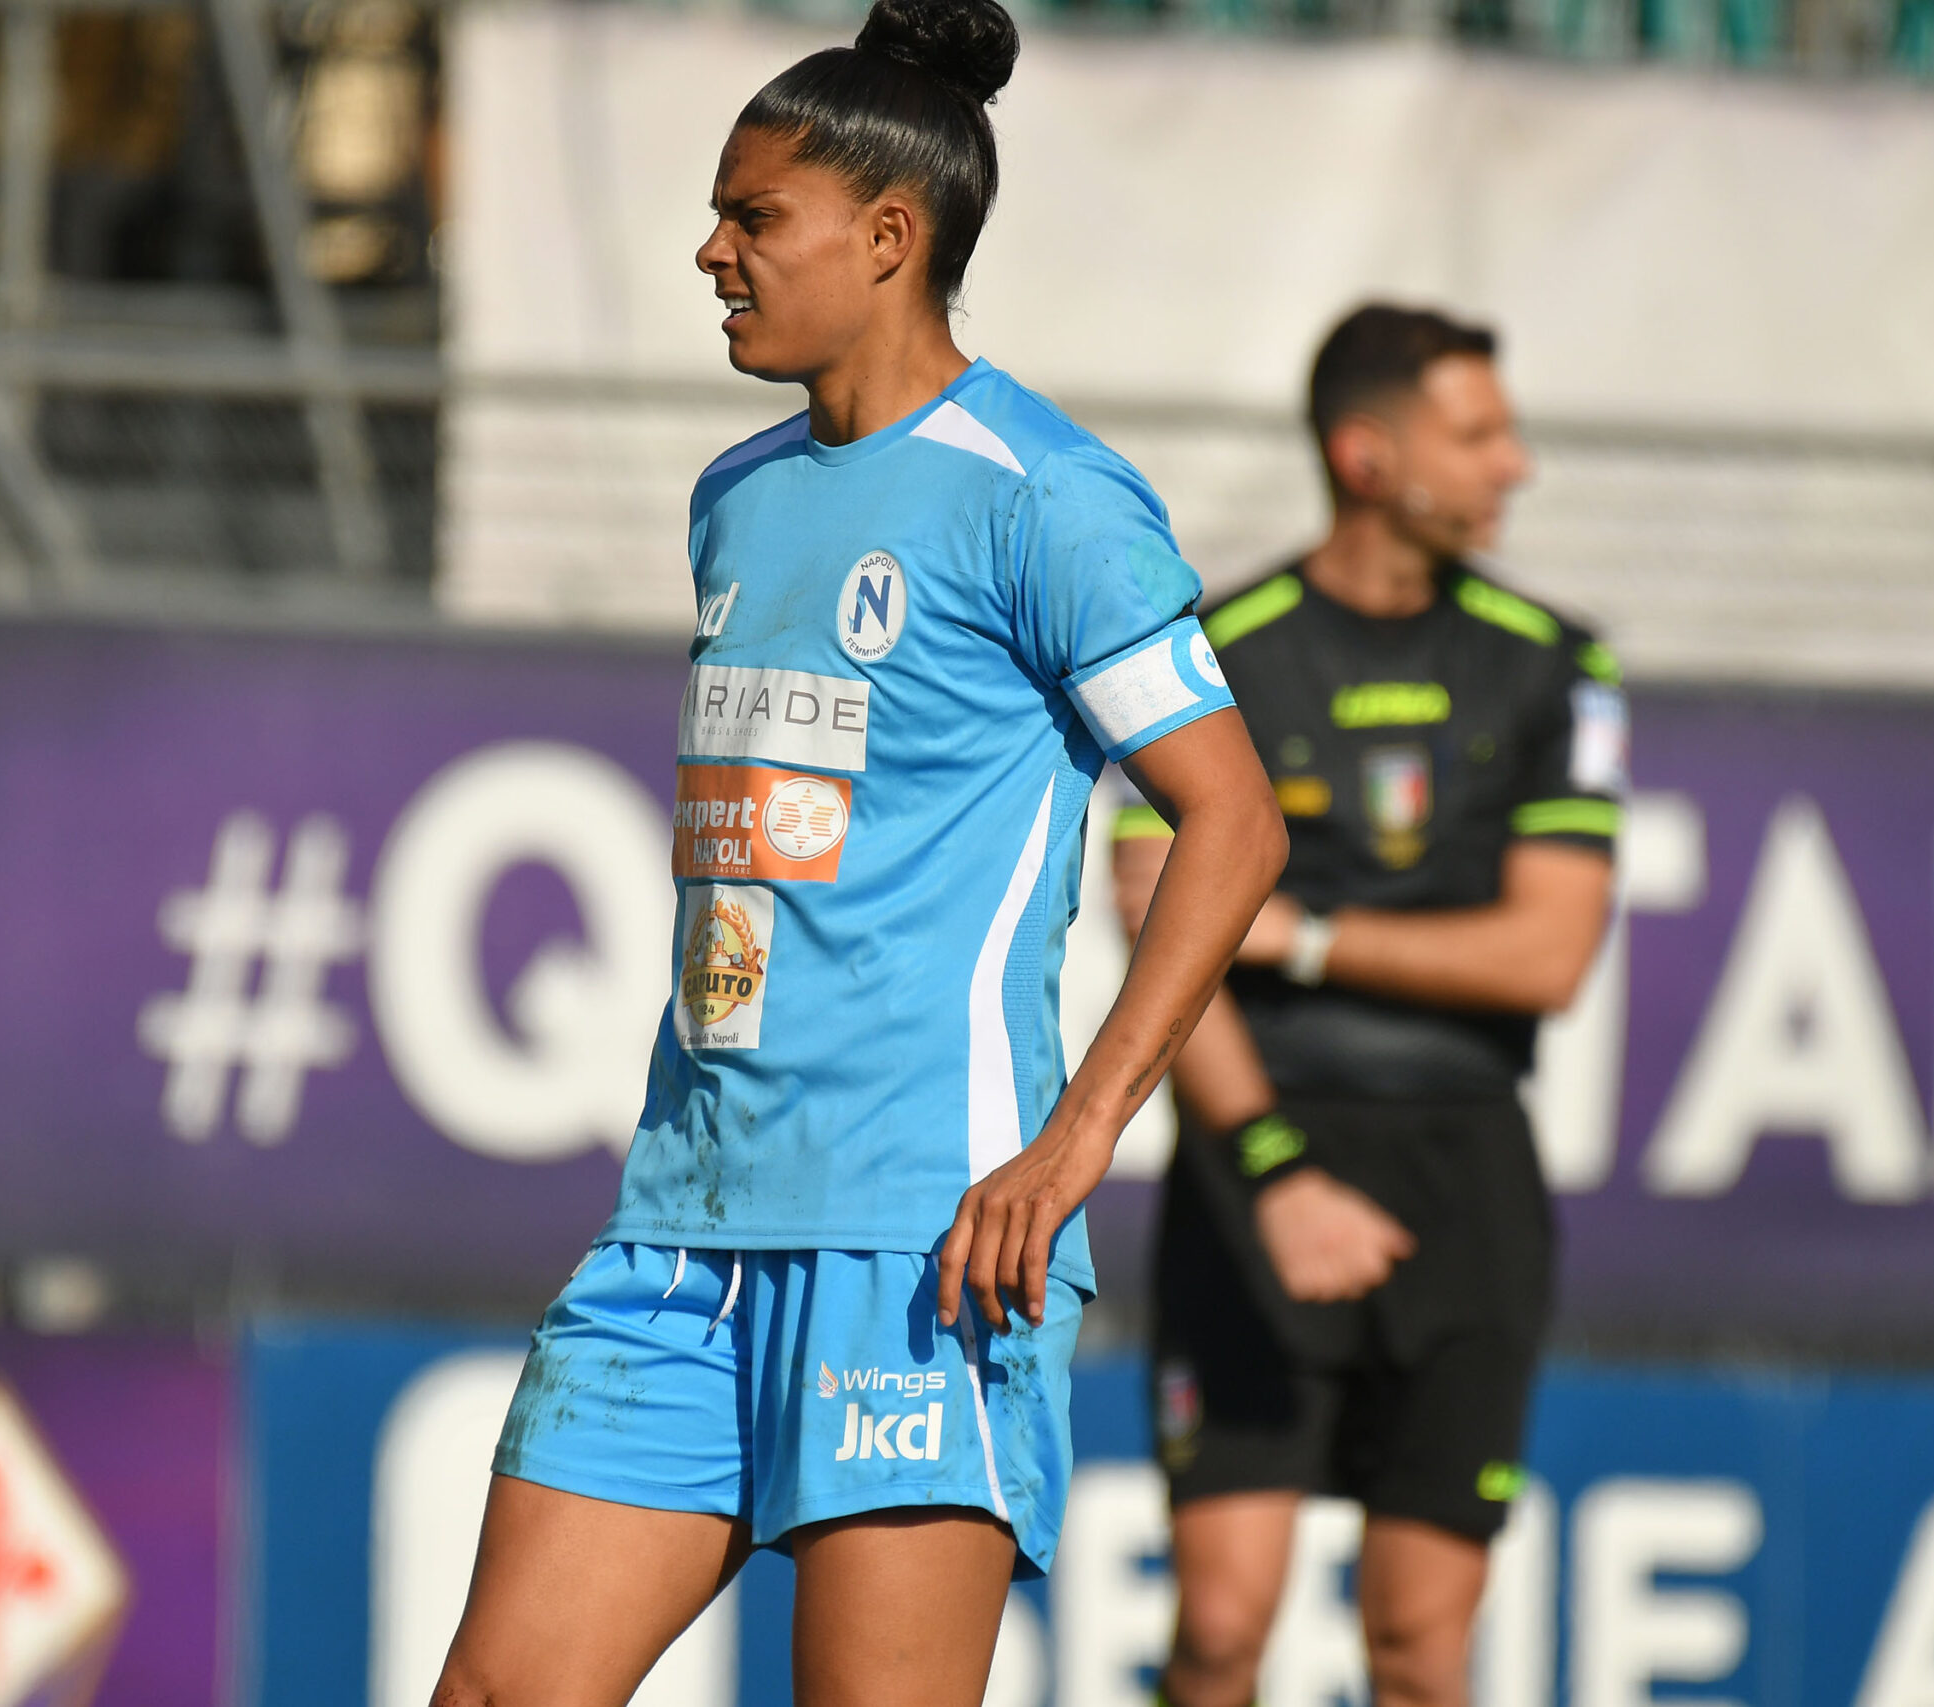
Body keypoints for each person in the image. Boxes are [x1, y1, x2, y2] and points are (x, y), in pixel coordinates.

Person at [431, 3, 1287, 1702]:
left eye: (753, 217)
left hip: (924, 1241)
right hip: (678, 1236)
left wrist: (1075, 1143)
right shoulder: (736, 497)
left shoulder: (1045, 497)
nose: (713, 253)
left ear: (890, 237)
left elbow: (1235, 819)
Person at [1114, 305, 1623, 1707]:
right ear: (1367, 455)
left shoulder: (1556, 663)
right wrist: (1275, 1172)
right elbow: (1164, 945)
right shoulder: (1217, 650)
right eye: (1479, 434)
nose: (1514, 464)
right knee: (1221, 1628)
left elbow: (1549, 956)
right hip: (1258, 1159)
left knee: (1418, 1644)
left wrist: (1305, 936)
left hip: (1469, 1180)